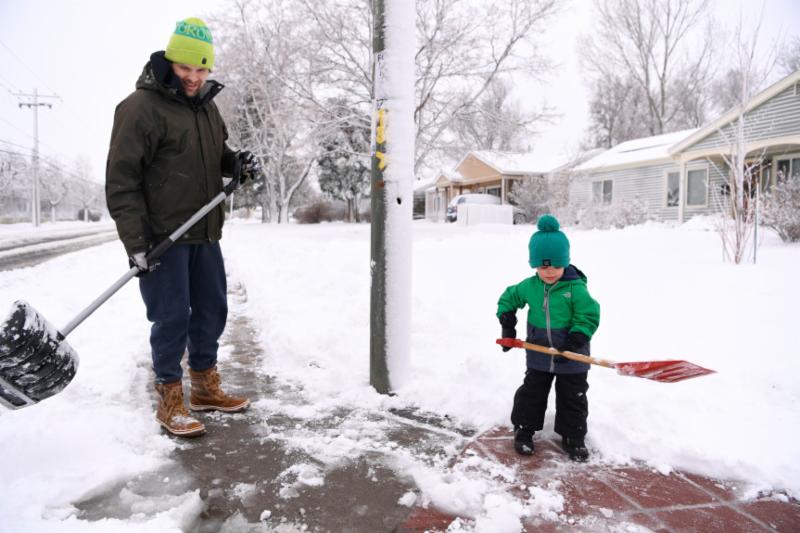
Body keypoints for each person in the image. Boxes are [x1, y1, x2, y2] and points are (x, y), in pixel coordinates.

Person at [105, 17, 261, 438]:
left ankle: (206, 388)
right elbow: (122, 183)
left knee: (212, 310)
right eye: (186, 68)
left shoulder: (206, 109)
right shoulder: (139, 109)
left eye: (202, 69)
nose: (194, 78)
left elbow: (217, 156)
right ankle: (170, 398)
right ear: (171, 61)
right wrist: (136, 243)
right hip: (163, 239)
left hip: (205, 232)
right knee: (172, 317)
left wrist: (237, 163)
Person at [496, 215, 600, 461]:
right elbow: (508, 298)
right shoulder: (530, 286)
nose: (549, 271)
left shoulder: (576, 289)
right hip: (539, 353)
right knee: (531, 393)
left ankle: (573, 438)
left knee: (572, 397)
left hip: (571, 355)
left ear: (565, 262)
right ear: (535, 266)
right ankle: (524, 431)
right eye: (543, 267)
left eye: (554, 265)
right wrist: (508, 323)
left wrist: (576, 337)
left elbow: (589, 314)